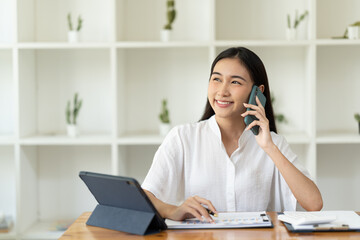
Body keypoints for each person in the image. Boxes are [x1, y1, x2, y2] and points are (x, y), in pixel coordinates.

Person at [142, 47, 323, 223]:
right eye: (216, 79)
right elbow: (145, 197)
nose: (222, 91)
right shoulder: (183, 137)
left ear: (257, 92)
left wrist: (269, 147)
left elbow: (314, 203)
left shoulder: (273, 143)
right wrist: (173, 210)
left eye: (235, 82)